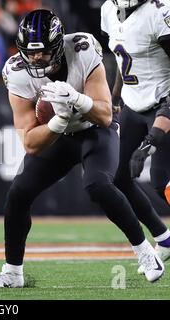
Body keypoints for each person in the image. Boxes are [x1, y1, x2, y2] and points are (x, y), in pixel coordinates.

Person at [0, 9, 165, 288]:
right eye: (30, 53)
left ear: (57, 44)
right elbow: (30, 142)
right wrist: (59, 121)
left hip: (95, 131)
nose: (35, 58)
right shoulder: (17, 72)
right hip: (60, 134)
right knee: (18, 193)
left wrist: (78, 100)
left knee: (98, 185)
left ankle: (145, 252)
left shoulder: (82, 48)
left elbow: (104, 115)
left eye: (42, 51)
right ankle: (13, 271)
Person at [101, 0, 170, 274]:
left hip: (163, 102)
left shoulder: (159, 11)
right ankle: (164, 239)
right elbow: (123, 57)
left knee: (161, 181)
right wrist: (115, 96)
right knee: (117, 178)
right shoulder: (109, 10)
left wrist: (152, 140)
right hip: (133, 104)